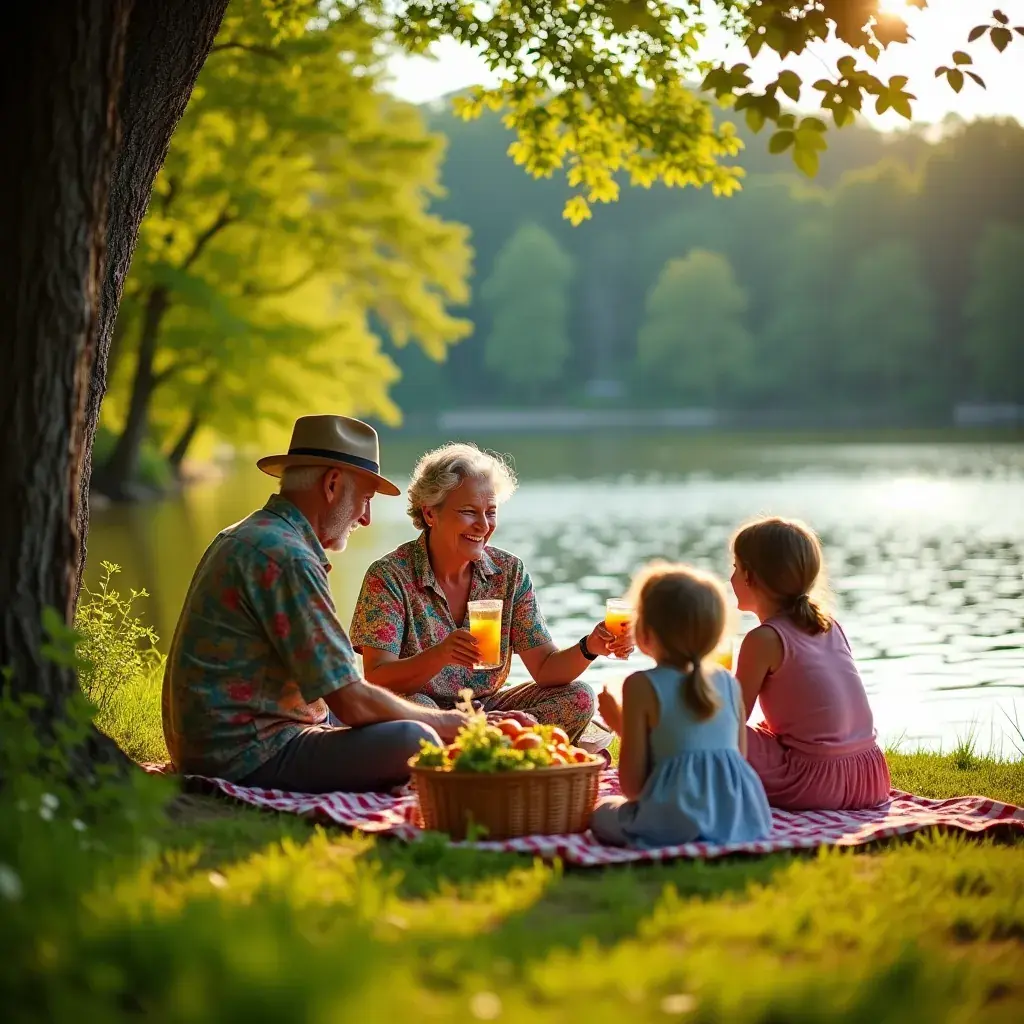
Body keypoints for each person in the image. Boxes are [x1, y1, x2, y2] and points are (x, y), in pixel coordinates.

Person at [162, 415, 468, 793]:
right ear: (332, 484)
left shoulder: (251, 534)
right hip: (246, 756)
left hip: (217, 745)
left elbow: (336, 687)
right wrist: (448, 724)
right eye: (365, 499)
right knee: (414, 739)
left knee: (402, 709)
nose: (366, 518)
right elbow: (352, 701)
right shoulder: (288, 556)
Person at [349, 442, 633, 744]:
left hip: (487, 708)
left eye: (491, 512)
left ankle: (494, 744)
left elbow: (545, 668)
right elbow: (377, 678)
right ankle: (504, 745)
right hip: (424, 711)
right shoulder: (389, 576)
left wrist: (590, 646)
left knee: (579, 697)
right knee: (413, 709)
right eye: (469, 512)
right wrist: (440, 655)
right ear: (430, 513)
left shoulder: (509, 573)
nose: (483, 526)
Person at [589, 563, 772, 848]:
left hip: (673, 823)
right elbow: (738, 758)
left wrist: (618, 723)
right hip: (736, 817)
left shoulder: (641, 685)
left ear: (645, 633)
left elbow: (634, 788)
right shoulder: (728, 682)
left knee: (601, 812)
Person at [730, 515, 891, 811]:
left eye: (735, 568)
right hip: (869, 777)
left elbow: (731, 721)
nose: (731, 578)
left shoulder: (763, 640)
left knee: (706, 730)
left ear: (750, 576)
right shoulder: (828, 625)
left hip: (814, 782)